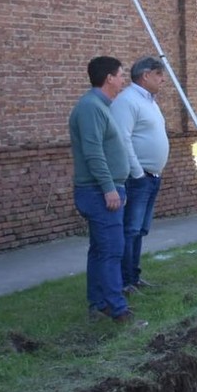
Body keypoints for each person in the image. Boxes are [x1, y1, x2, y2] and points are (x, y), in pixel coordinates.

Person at [69, 56, 145, 326]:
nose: (124, 79)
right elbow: (93, 153)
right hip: (100, 193)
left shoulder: (101, 106)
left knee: (100, 250)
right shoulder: (91, 108)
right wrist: (109, 188)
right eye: (121, 75)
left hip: (104, 190)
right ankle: (118, 310)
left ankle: (99, 305)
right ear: (109, 78)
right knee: (112, 250)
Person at [111, 56, 170, 295]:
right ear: (145, 75)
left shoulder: (149, 101)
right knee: (131, 230)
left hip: (152, 176)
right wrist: (137, 173)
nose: (163, 80)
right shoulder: (128, 101)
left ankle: (134, 277)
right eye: (159, 75)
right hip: (138, 178)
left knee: (140, 230)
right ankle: (124, 282)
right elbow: (122, 139)